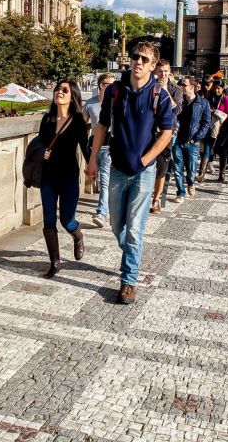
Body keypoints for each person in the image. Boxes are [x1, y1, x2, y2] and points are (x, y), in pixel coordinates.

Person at [86, 42, 174, 304]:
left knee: (135, 228)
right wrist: (92, 159)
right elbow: (102, 127)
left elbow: (167, 133)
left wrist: (146, 159)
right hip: (117, 166)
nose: (138, 61)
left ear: (153, 65)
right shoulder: (115, 91)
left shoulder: (160, 95)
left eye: (144, 59)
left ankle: (128, 281)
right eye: (135, 56)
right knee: (116, 225)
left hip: (144, 172)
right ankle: (132, 255)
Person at [36, 80, 89, 278]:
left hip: (68, 177)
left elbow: (85, 147)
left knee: (67, 220)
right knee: (49, 221)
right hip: (48, 177)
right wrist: (43, 153)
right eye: (58, 88)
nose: (59, 91)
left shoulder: (77, 121)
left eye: (64, 90)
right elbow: (40, 143)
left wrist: (92, 167)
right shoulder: (47, 119)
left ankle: (77, 234)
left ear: (72, 95)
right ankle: (55, 263)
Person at [83, 73, 116, 227]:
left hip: (111, 146)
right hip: (95, 146)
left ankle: (102, 212)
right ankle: (109, 205)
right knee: (101, 180)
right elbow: (82, 125)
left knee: (104, 179)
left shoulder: (118, 102)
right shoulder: (90, 104)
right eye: (110, 84)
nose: (114, 87)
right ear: (101, 85)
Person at [149, 60, 182, 214]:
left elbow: (176, 110)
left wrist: (164, 92)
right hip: (149, 131)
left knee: (162, 167)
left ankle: (156, 200)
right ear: (156, 71)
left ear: (170, 72)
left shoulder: (176, 89)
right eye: (160, 71)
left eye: (166, 71)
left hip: (166, 132)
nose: (163, 74)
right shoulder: (149, 86)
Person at [172, 77, 210, 203]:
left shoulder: (202, 103)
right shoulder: (179, 101)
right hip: (178, 139)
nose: (181, 87)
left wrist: (197, 138)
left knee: (191, 168)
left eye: (184, 85)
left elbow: (206, 123)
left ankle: (191, 183)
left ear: (192, 87)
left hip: (192, 141)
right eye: (181, 84)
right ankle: (180, 193)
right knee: (177, 168)